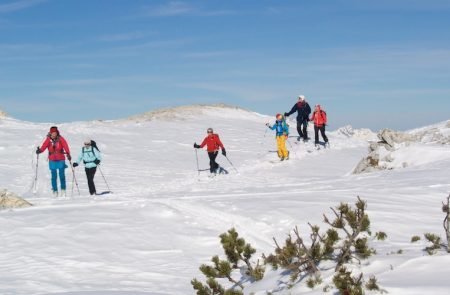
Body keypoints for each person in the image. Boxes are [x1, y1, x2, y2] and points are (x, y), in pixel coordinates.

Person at [36, 126, 71, 197]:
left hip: (61, 158)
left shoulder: (61, 138)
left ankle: (63, 190)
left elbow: (65, 146)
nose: (54, 134)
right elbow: (44, 146)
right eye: (52, 133)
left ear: (57, 132)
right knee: (53, 176)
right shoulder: (48, 139)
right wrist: (40, 150)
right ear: (50, 133)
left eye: (55, 133)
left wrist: (68, 153)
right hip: (52, 159)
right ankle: (55, 191)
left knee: (62, 175)